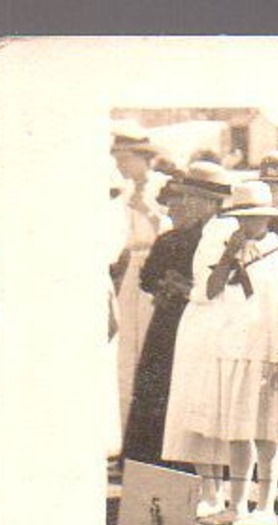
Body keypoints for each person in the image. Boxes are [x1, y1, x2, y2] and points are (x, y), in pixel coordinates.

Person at [172, 180, 278, 525]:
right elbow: (211, 291)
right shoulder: (226, 248)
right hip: (230, 348)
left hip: (268, 348)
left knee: (266, 433)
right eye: (242, 218)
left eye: (255, 217)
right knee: (236, 432)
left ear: (268, 218)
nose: (249, 225)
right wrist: (229, 254)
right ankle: (238, 505)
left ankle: (266, 507)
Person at [122, 162, 231, 465]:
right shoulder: (171, 239)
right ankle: (150, 461)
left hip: (205, 325)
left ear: (211, 203)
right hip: (168, 323)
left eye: (190, 198)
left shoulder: (224, 238)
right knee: (157, 388)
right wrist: (165, 286)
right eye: (181, 197)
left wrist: (181, 286)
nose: (181, 204)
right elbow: (147, 279)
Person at [110, 127, 171, 431]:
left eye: (125, 158)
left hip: (156, 265)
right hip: (133, 265)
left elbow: (171, 231)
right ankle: (125, 437)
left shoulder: (163, 187)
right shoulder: (122, 193)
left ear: (143, 158)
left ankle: (146, 435)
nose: (120, 165)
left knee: (148, 344)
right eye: (116, 158)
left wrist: (148, 210)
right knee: (126, 350)